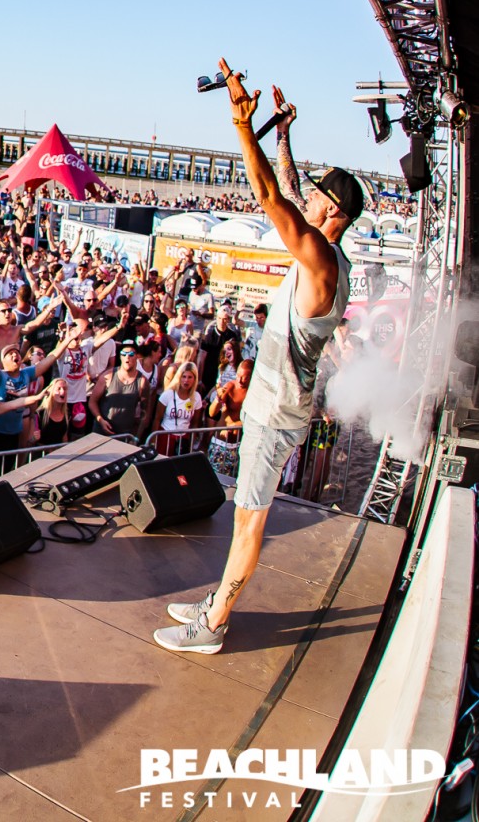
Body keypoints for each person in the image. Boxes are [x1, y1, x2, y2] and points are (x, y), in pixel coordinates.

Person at [155, 62, 361, 655]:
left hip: (275, 414)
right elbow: (289, 189)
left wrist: (243, 125)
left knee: (248, 520)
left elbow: (271, 196)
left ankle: (213, 626)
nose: (308, 197)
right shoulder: (325, 253)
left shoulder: (320, 262)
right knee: (245, 514)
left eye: (318, 196)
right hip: (275, 407)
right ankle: (216, 602)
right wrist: (283, 135)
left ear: (332, 213)